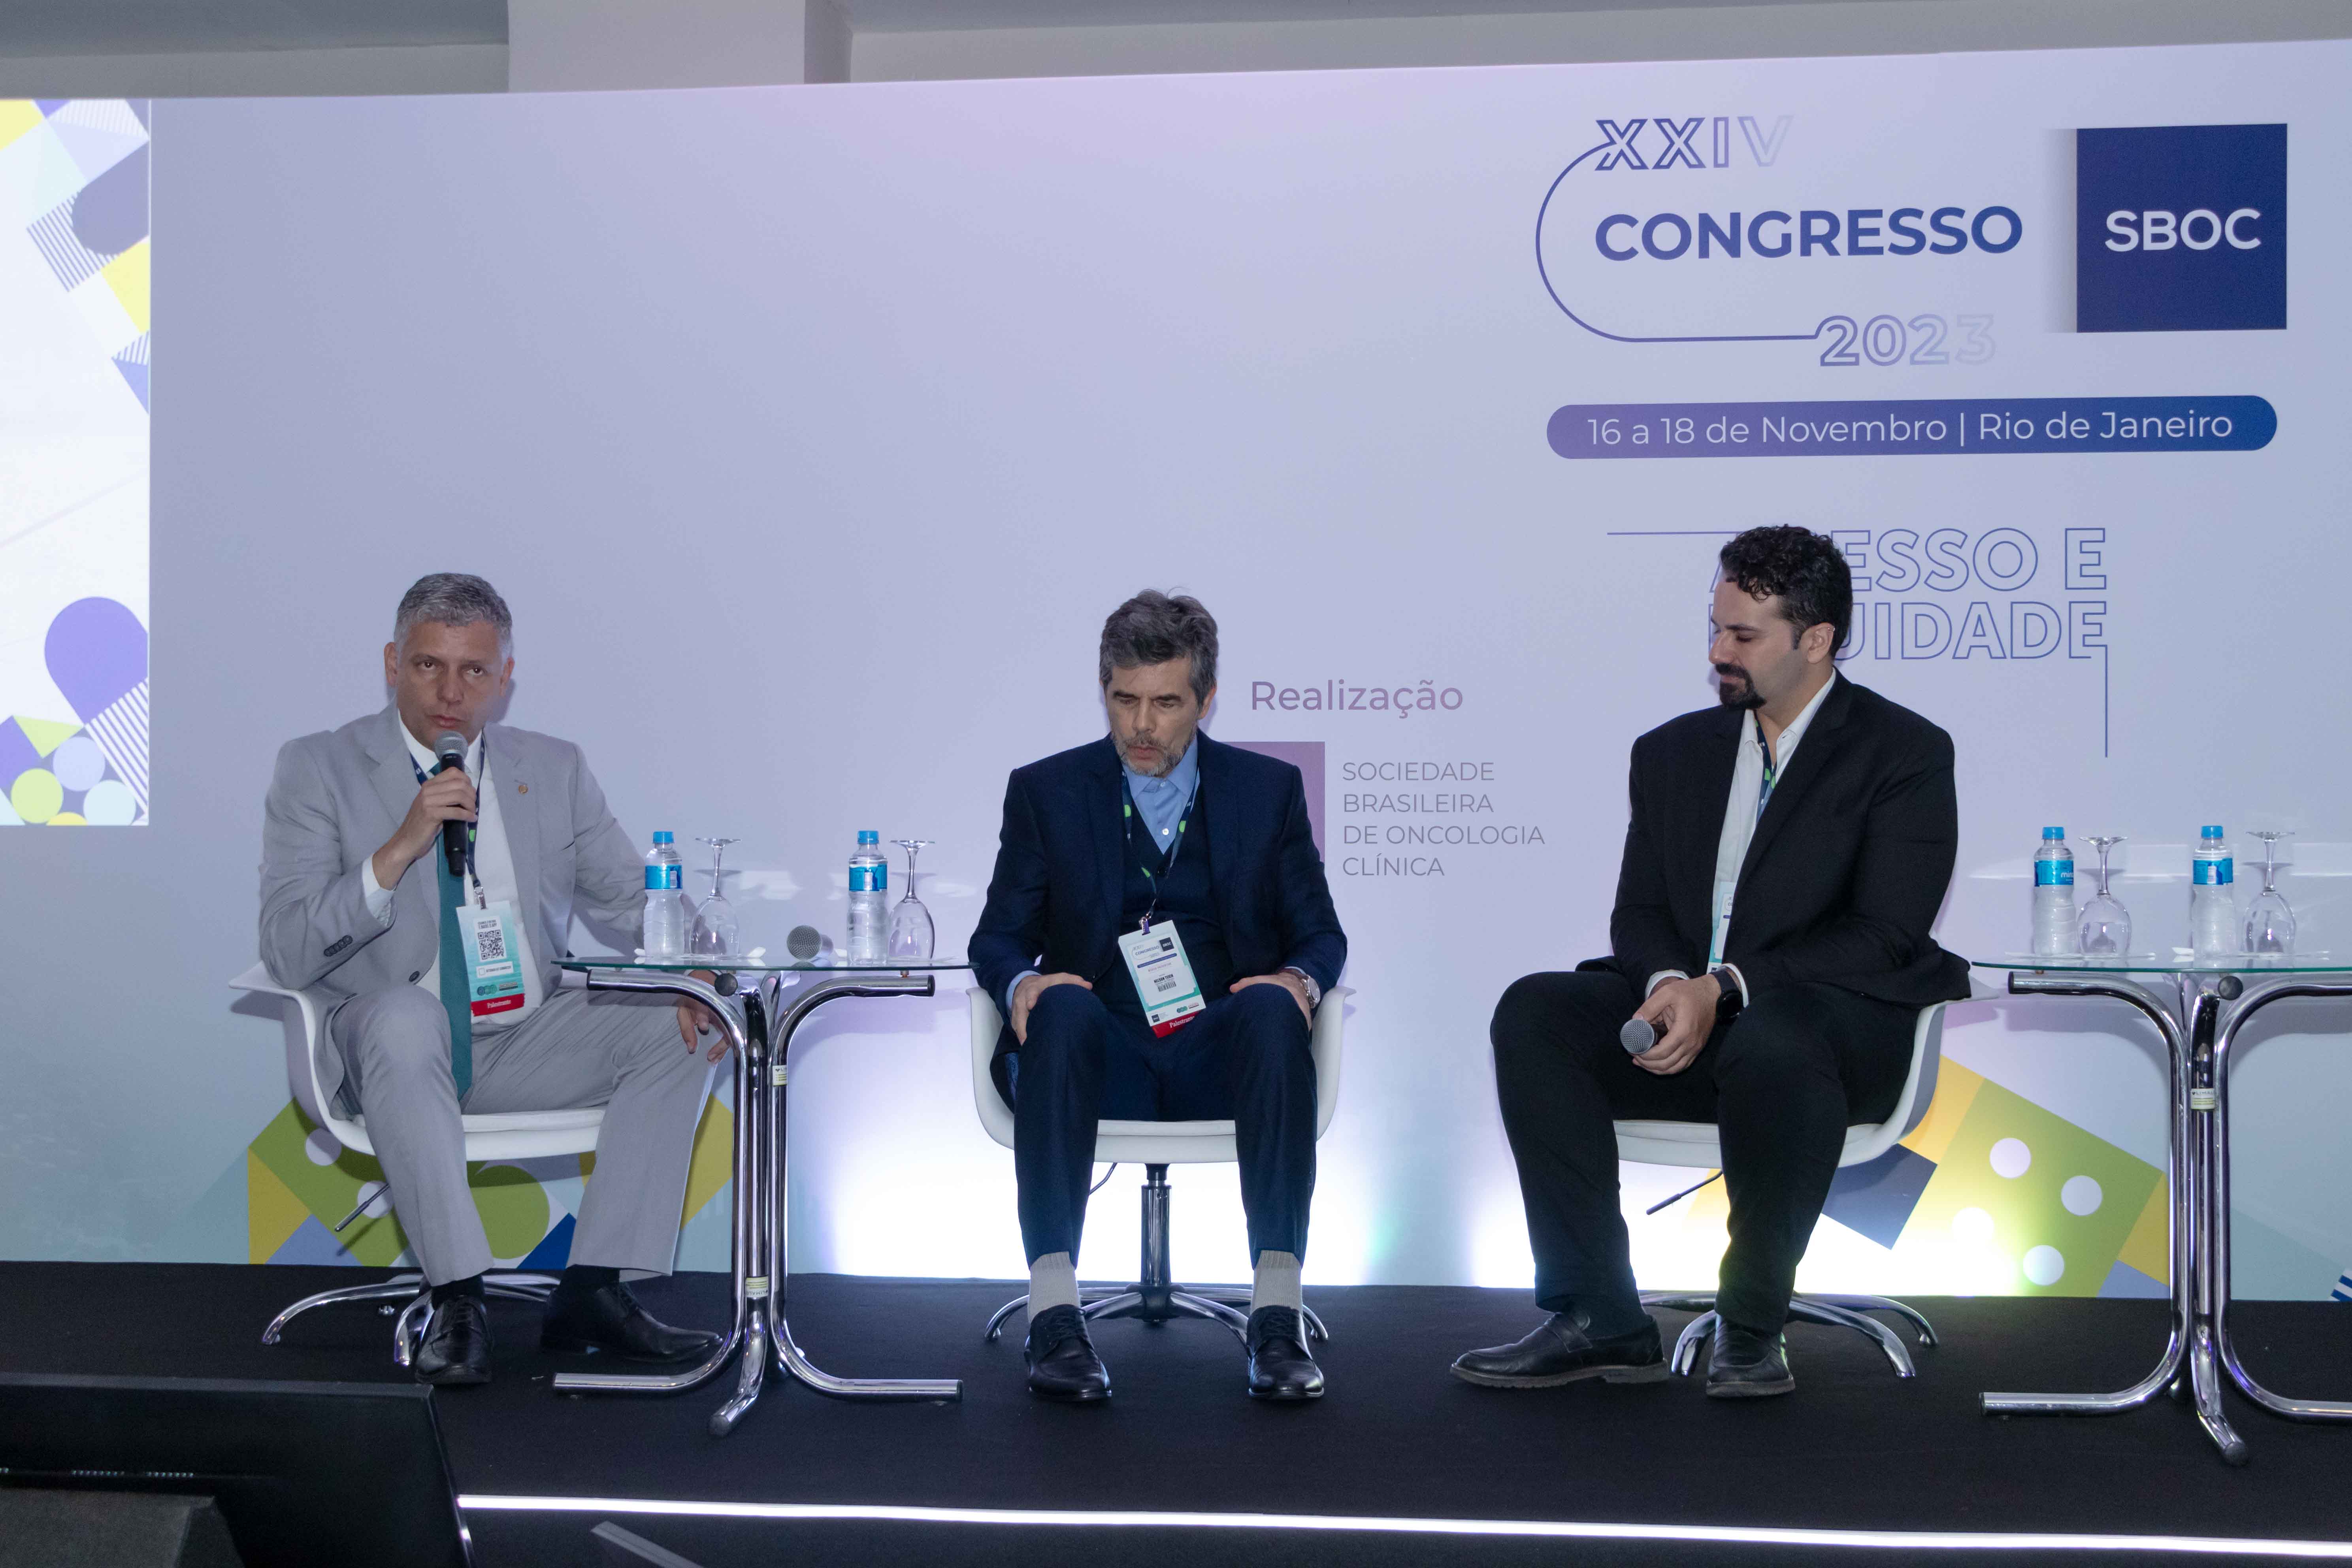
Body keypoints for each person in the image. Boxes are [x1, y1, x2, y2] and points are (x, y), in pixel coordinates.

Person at [1455, 526, 1968, 1399]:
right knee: (1536, 1011)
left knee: (1775, 1035)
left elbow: (1886, 934)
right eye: (1716, 628)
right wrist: (1667, 986)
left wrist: (1722, 987)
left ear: (1817, 640)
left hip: (1827, 1043)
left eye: (1743, 635)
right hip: (1693, 1037)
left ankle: (1753, 1324)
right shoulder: (1671, 753)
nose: (1718, 652)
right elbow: (1640, 911)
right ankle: (1599, 1316)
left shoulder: (1904, 752)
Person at [259, 573, 726, 1386]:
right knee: (407, 1017)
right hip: (387, 1048)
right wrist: (398, 848)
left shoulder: (553, 768)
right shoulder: (319, 766)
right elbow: (288, 950)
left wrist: (699, 960)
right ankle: (457, 1296)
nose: (451, 692)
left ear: (505, 678)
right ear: (392, 664)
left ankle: (594, 1289)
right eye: (428, 666)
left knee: (681, 1021)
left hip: (522, 1038)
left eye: (474, 670)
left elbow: (634, 897)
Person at [971, 591, 1347, 1403]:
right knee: (1061, 1004)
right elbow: (995, 939)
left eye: (1166, 703)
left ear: (1206, 701)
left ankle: (1277, 1315)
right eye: (1124, 699)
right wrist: (1023, 983)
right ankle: (1054, 1314)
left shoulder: (1267, 791)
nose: (1141, 725)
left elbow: (1322, 937)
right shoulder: (1046, 791)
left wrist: (1297, 981)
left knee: (1272, 1006)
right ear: (1104, 691)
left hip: (1219, 1055)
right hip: (1097, 1053)